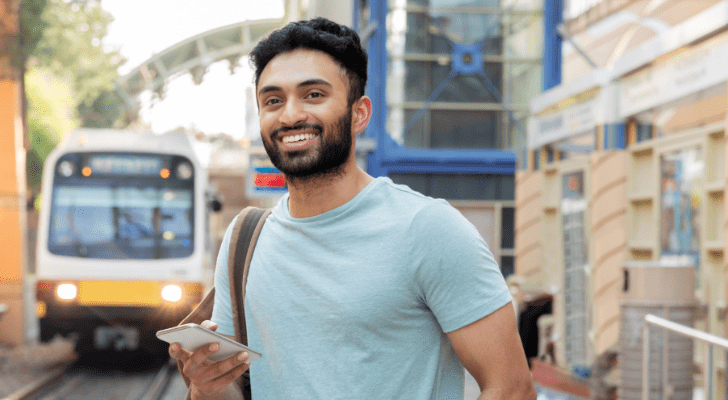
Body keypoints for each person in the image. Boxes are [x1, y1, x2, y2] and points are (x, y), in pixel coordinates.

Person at [169, 17, 536, 400]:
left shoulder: (428, 229)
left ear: (359, 113)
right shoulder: (245, 240)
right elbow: (233, 388)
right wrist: (204, 387)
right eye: (273, 100)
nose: (290, 115)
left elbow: (511, 388)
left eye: (313, 95)